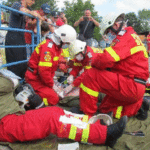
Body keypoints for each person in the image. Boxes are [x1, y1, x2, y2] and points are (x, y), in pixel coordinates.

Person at [0, 65, 128, 148]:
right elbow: (7, 84)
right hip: (4, 122)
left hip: (11, 114)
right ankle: (105, 135)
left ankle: (96, 125)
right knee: (51, 119)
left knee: (55, 111)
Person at [77, 13, 149, 120]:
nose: (107, 36)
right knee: (104, 109)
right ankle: (139, 106)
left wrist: (94, 63)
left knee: (91, 75)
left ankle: (88, 117)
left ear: (115, 25)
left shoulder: (125, 38)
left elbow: (106, 59)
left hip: (131, 85)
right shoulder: (130, 36)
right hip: (134, 86)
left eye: (107, 32)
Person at [25, 24, 77, 106]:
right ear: (61, 39)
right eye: (67, 43)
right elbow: (44, 72)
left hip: (43, 79)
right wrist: (53, 85)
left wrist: (68, 66)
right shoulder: (49, 48)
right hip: (35, 78)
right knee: (54, 98)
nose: (67, 45)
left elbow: (58, 62)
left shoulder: (56, 47)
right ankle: (31, 99)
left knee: (58, 93)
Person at [5, 0, 44, 78]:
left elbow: (29, 24)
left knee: (23, 62)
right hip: (13, 36)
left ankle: (21, 81)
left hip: (21, 36)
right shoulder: (16, 4)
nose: (33, 2)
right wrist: (34, 14)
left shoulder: (28, 8)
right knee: (15, 62)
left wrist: (38, 21)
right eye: (32, 0)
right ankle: (13, 83)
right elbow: (22, 10)